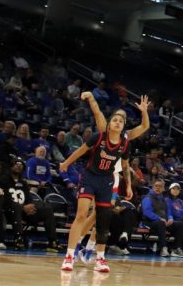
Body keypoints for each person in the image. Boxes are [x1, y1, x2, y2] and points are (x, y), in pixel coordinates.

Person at [57, 93, 150, 272]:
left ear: (124, 123)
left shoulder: (126, 139)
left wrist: (129, 184)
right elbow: (97, 112)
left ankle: (91, 252)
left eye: (122, 119)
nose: (118, 121)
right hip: (91, 176)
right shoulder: (102, 132)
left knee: (102, 217)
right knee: (84, 214)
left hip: (111, 178)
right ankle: (74, 251)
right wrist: (91, 97)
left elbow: (126, 162)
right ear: (110, 121)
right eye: (116, 118)